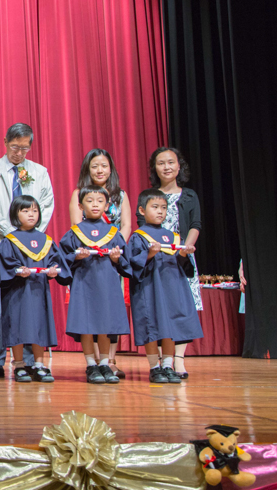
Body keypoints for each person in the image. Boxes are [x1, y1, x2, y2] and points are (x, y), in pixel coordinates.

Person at [0, 122, 54, 377]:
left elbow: (46, 205)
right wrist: (13, 236)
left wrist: (28, 237)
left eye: (24, 148)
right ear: (5, 143)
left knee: (27, 304)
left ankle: (29, 361)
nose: (19, 153)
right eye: (14, 147)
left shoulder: (39, 172)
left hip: (29, 250)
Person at [67, 148, 132, 377]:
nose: (100, 170)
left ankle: (109, 360)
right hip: (87, 262)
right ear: (88, 169)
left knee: (109, 310)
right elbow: (77, 228)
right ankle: (93, 361)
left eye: (104, 165)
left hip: (111, 259)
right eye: (94, 166)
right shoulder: (79, 193)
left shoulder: (120, 195)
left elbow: (126, 225)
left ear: (111, 169)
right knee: (89, 311)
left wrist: (116, 247)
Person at [127, 189, 202, 384]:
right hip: (150, 290)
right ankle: (154, 367)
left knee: (170, 327)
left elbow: (183, 265)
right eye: (155, 207)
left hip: (171, 289)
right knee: (152, 326)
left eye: (164, 208)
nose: (160, 211)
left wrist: (184, 254)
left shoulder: (172, 236)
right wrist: (150, 253)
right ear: (142, 210)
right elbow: (133, 265)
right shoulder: (138, 237)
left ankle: (168, 366)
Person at [139, 147, 202, 379]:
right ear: (154, 168)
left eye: (171, 162)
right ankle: (161, 362)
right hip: (156, 259)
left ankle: (179, 359)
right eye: (161, 163)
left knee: (181, 309)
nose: (166, 167)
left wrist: (186, 249)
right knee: (158, 307)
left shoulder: (189, 195)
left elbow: (195, 224)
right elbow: (141, 226)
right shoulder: (149, 195)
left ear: (179, 166)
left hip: (181, 257)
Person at [0, 195, 71, 383]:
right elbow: (5, 264)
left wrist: (53, 269)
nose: (31, 214)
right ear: (15, 214)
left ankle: (39, 364)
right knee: (17, 326)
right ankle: (19, 364)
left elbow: (55, 260)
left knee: (39, 325)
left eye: (35, 210)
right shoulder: (10, 240)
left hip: (38, 290)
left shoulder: (45, 240)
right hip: (17, 292)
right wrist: (17, 270)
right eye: (26, 210)